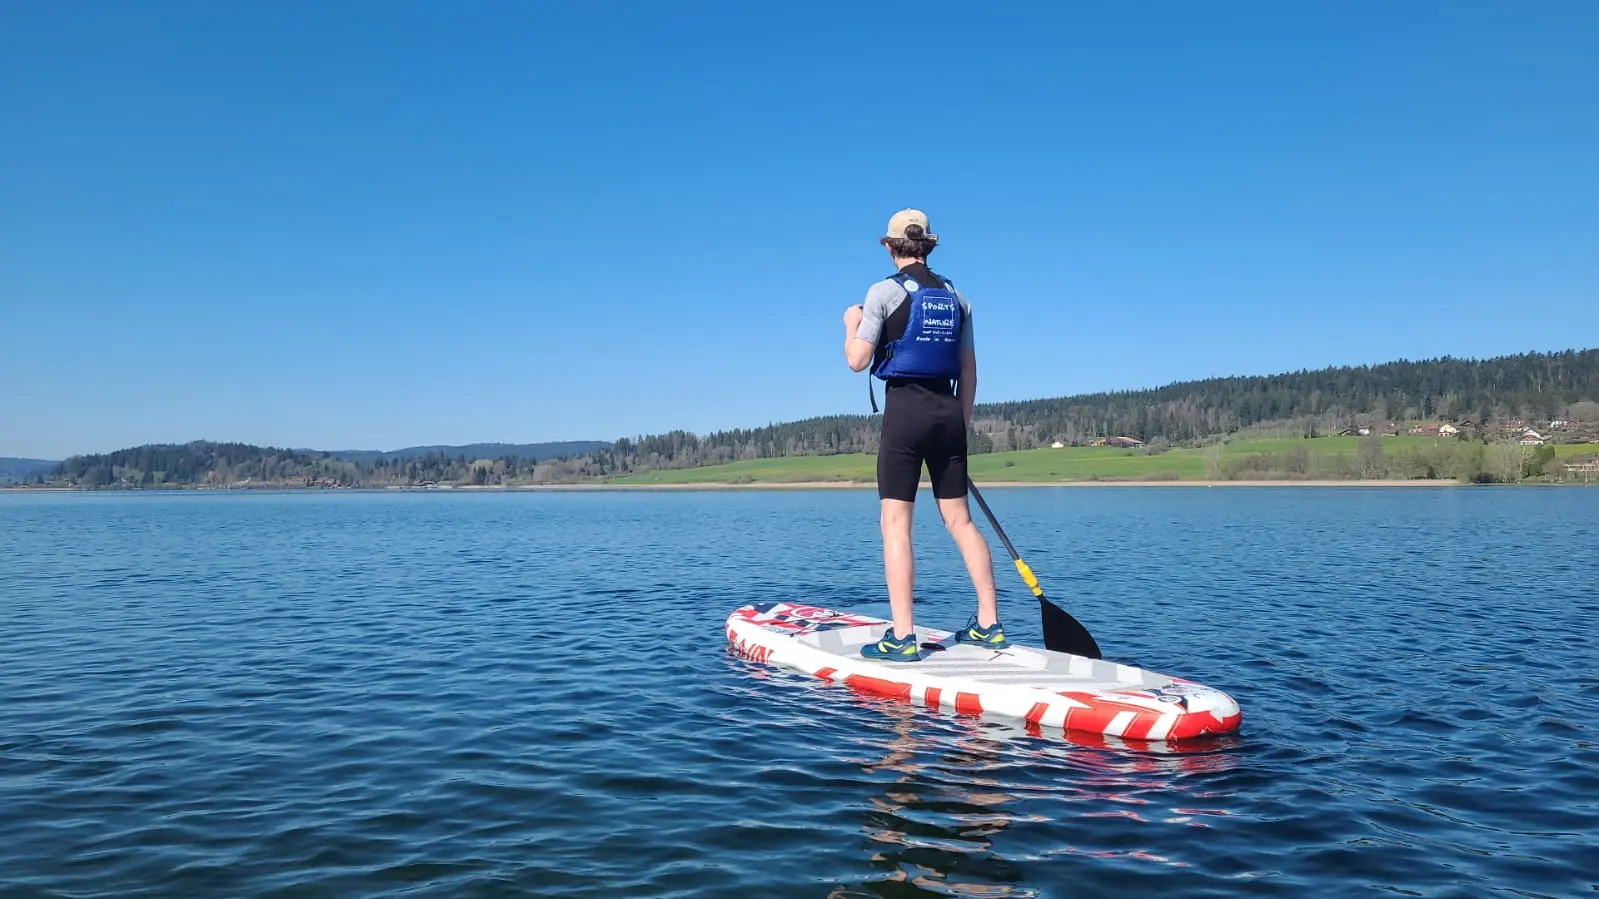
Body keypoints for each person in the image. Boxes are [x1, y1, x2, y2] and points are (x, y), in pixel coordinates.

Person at [841, 209, 1007, 661]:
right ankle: (989, 624)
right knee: (961, 521)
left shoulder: (882, 293)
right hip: (948, 413)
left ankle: (902, 637)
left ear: (888, 246)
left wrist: (851, 323)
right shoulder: (957, 297)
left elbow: (857, 360)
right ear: (929, 245)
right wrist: (960, 427)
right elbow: (969, 372)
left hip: (906, 414)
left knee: (895, 523)